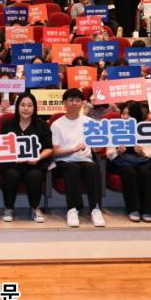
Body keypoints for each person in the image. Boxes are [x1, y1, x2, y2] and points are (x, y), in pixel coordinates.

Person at [51, 88, 105, 228]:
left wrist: (99, 147)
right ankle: (72, 209)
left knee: (92, 167)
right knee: (72, 168)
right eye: (70, 100)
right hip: (64, 162)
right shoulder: (57, 124)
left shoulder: (90, 122)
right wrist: (73, 149)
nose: (74, 103)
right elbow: (54, 152)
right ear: (64, 103)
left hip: (85, 160)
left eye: (77, 100)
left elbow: (96, 148)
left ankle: (96, 209)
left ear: (82, 103)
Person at [0, 92, 53, 223]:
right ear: (17, 106)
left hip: (34, 164)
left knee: (34, 176)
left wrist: (38, 158)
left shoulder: (42, 125)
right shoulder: (7, 124)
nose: (26, 108)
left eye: (30, 105)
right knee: (11, 174)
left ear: (34, 108)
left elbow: (49, 148)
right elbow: (0, 146)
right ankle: (8, 208)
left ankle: (35, 208)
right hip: (12, 164)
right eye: (22, 105)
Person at [105, 101, 151, 223]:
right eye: (123, 114)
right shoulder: (115, 128)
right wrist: (118, 151)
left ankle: (147, 210)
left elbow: (149, 153)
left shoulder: (144, 128)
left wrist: (141, 151)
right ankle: (133, 209)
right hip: (120, 163)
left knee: (145, 172)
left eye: (129, 114)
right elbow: (108, 154)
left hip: (141, 162)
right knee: (129, 172)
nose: (125, 117)